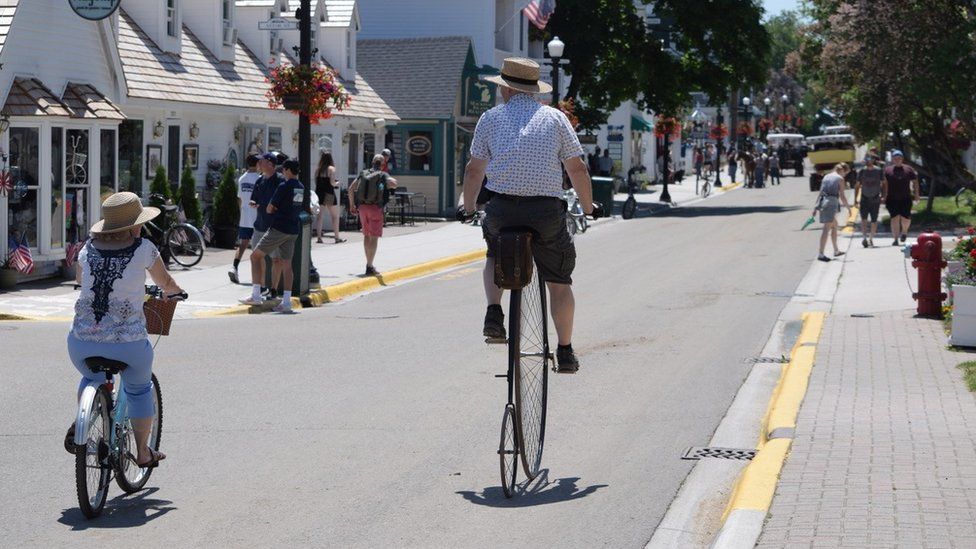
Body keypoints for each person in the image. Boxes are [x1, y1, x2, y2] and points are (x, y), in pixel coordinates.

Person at [459, 57, 601, 374]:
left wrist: (468, 208)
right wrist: (589, 207)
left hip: (502, 208)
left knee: (495, 252)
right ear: (534, 90)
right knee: (559, 282)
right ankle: (565, 351)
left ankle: (494, 313)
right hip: (545, 212)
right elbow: (577, 169)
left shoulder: (490, 118)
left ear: (507, 89)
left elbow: (474, 171)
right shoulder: (555, 119)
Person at [66, 192, 185, 468]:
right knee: (139, 388)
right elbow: (165, 281)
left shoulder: (88, 248)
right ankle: (143, 452)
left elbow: (80, 280)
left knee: (91, 375)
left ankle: (86, 414)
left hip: (81, 341)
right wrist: (175, 293)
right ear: (133, 226)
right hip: (127, 344)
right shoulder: (143, 248)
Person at [243, 159, 305, 313]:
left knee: (255, 257)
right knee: (287, 265)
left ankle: (256, 294)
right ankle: (286, 302)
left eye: (283, 170)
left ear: (289, 170)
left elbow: (270, 208)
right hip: (293, 230)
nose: (282, 172)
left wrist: (272, 209)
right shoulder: (300, 187)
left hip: (278, 228)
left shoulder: (283, 186)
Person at [240, 153, 284, 303]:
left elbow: (282, 203)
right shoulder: (260, 180)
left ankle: (273, 290)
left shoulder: (280, 181)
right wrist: (254, 202)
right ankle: (257, 291)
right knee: (257, 259)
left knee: (276, 259)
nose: (259, 163)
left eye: (262, 161)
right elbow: (255, 198)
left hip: (274, 227)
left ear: (270, 164)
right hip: (259, 225)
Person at [348, 154, 397, 275]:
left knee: (366, 235)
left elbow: (350, 189)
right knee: (374, 237)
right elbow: (393, 183)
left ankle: (368, 262)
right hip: (375, 208)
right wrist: (390, 183)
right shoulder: (382, 174)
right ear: (382, 164)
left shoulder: (363, 173)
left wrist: (352, 205)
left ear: (372, 162)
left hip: (362, 208)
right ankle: (369, 265)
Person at [229, 154, 260, 284]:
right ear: (257, 164)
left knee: (243, 244)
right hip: (257, 216)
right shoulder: (259, 179)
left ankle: (234, 267)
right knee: (258, 246)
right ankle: (258, 274)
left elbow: (239, 199)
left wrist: (242, 211)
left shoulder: (242, 178)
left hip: (245, 215)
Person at [813, 163, 853, 261]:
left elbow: (821, 192)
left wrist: (815, 207)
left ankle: (836, 250)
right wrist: (848, 208)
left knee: (834, 225)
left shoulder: (826, 176)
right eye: (845, 173)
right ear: (843, 171)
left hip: (823, 202)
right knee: (826, 228)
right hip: (831, 202)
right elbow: (842, 196)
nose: (845, 176)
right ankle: (821, 254)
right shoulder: (840, 179)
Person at [883, 150, 919, 245]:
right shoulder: (888, 170)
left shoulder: (908, 169)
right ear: (892, 159)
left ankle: (904, 232)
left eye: (899, 158)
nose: (897, 160)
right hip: (892, 198)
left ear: (902, 159)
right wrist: (883, 196)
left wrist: (916, 195)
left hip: (906, 197)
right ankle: (895, 239)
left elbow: (915, 182)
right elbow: (884, 184)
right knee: (894, 218)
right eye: (895, 158)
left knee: (905, 218)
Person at [313, 151, 345, 244]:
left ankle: (319, 238)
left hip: (319, 193)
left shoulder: (318, 170)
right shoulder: (331, 169)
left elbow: (316, 182)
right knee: (335, 216)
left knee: (320, 217)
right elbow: (332, 183)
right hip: (329, 193)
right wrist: (338, 183)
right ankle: (337, 237)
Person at [855, 155, 884, 247]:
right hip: (864, 197)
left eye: (870, 159)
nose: (868, 161)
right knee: (864, 219)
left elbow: (884, 183)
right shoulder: (862, 171)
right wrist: (855, 199)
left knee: (874, 220)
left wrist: (884, 196)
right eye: (867, 159)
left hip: (875, 198)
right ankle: (864, 238)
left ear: (873, 160)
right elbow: (857, 185)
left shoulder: (879, 170)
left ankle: (871, 238)